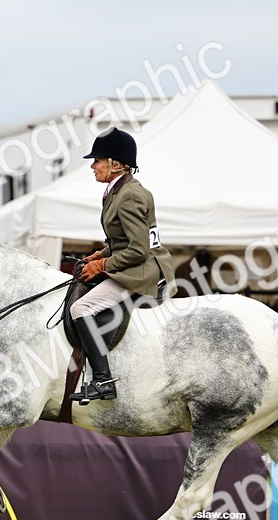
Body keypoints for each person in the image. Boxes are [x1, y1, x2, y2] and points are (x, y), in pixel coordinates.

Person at [69, 127, 174, 403]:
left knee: (80, 308)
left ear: (116, 163)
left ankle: (103, 381)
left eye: (98, 160)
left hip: (142, 271)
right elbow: (123, 240)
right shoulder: (117, 191)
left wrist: (102, 264)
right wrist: (98, 255)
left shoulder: (130, 196)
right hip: (132, 262)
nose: (93, 166)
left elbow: (139, 250)